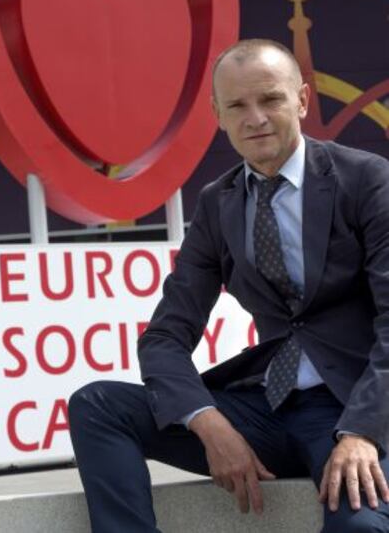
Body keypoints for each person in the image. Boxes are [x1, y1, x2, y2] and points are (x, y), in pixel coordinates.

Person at [69, 39, 389, 533]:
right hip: (267, 409)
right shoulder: (218, 204)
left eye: (271, 100)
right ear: (217, 114)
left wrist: (364, 432)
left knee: (361, 527)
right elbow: (165, 337)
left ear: (302, 100)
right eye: (237, 105)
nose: (255, 118)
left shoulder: (367, 180)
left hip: (352, 405)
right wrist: (208, 421)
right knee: (98, 405)